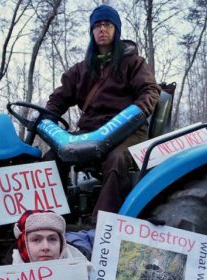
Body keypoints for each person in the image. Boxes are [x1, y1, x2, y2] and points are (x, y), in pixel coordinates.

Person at [45, 4, 161, 224]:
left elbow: (150, 91)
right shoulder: (80, 70)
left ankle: (101, 226)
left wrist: (137, 112)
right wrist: (48, 118)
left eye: (107, 25)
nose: (102, 30)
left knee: (117, 159)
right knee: (52, 157)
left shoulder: (133, 63)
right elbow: (59, 98)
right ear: (91, 31)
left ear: (116, 30)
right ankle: (52, 221)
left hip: (127, 130)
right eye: (97, 26)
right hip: (91, 132)